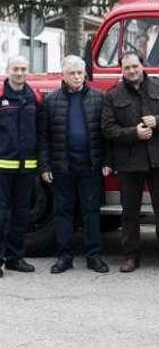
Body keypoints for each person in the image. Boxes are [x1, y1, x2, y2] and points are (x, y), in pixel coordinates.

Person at [102, 51, 159, 273]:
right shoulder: (113, 95)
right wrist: (134, 133)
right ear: (122, 69)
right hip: (129, 162)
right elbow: (108, 129)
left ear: (142, 66)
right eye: (127, 67)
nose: (131, 71)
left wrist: (158, 121)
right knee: (129, 212)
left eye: (135, 66)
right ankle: (130, 257)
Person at [38, 55, 111, 274]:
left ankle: (94, 257)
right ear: (63, 75)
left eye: (80, 72)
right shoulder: (51, 101)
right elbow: (43, 138)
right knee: (64, 213)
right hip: (62, 167)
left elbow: (106, 135)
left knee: (91, 212)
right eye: (72, 73)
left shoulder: (99, 98)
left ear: (85, 74)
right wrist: (45, 166)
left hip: (91, 166)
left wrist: (107, 161)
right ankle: (64, 257)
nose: (77, 77)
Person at [0, 56, 41, 276]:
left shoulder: (32, 96)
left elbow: (40, 130)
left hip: (27, 169)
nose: (19, 73)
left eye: (23, 69)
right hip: (3, 168)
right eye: (15, 69)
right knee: (1, 214)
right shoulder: (1, 96)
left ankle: (15, 258)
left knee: (21, 215)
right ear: (8, 71)